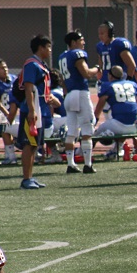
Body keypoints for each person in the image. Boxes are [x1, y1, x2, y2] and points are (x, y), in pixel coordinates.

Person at [59, 30, 101, 174]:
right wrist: (97, 68)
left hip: (69, 94)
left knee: (71, 131)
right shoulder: (77, 54)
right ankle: (88, 164)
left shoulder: (62, 56)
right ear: (73, 42)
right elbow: (86, 73)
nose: (83, 42)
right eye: (81, 40)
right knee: (87, 128)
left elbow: (63, 80)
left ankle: (71, 164)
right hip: (81, 93)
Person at [18, 34, 53, 190]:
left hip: (40, 107)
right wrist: (32, 110)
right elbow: (29, 88)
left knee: (34, 145)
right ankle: (26, 178)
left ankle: (30, 177)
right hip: (33, 108)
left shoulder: (41, 64)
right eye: (48, 47)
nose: (50, 50)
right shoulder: (32, 64)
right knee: (29, 143)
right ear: (41, 47)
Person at [93, 66, 137, 173]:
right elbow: (134, 104)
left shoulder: (107, 86)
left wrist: (94, 120)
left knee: (95, 134)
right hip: (134, 126)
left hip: (117, 125)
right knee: (124, 121)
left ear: (110, 76)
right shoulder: (132, 84)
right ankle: (117, 150)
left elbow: (100, 106)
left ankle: (82, 152)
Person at [96, 21, 137, 96]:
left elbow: (132, 65)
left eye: (102, 33)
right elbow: (101, 65)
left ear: (110, 32)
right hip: (105, 81)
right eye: (99, 34)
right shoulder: (100, 46)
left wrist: (127, 81)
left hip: (118, 83)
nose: (100, 36)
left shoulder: (118, 44)